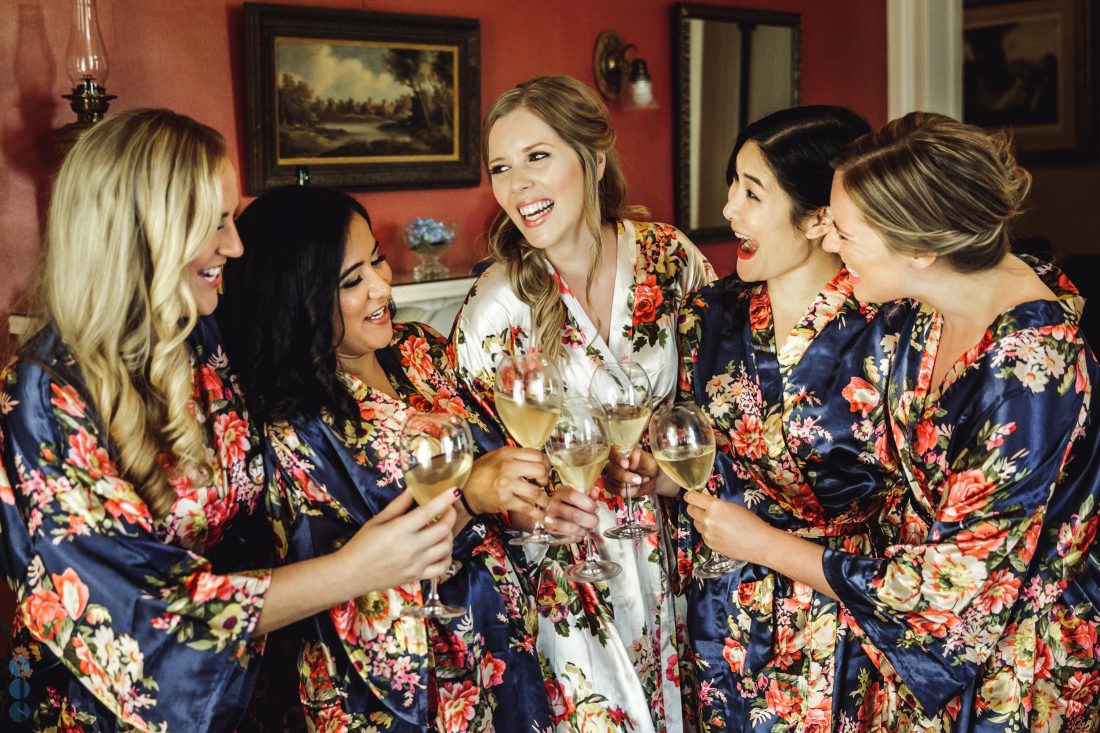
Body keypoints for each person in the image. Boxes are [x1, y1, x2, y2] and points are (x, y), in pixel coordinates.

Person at [0, 109, 459, 732]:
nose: (234, 246)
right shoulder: (45, 392)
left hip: (253, 693)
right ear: (141, 232)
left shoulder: (205, 334)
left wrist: (411, 425)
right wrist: (356, 568)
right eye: (213, 224)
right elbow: (136, 613)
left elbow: (304, 370)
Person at [688, 112, 1100, 730]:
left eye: (848, 234)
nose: (828, 243)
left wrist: (763, 544)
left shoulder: (1030, 373)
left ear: (922, 248)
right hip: (896, 646)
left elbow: (946, 586)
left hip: (1007, 665)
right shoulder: (932, 306)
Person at [610, 105, 926, 731]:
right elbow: (714, 467)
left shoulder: (896, 325)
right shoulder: (709, 315)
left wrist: (766, 541)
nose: (729, 210)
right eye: (733, 185)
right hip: (727, 619)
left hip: (846, 624)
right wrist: (662, 479)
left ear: (818, 217)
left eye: (752, 193)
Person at [217, 185, 553, 732]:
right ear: (294, 298)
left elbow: (497, 463)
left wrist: (528, 501)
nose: (381, 287)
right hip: (398, 692)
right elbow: (336, 577)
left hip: (500, 647)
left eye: (376, 260)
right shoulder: (285, 426)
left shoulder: (419, 350)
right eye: (352, 281)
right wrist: (467, 498)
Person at [452, 74, 714, 733]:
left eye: (538, 157)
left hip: (683, 562)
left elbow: (725, 401)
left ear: (594, 157)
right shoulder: (495, 307)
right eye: (502, 168)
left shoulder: (669, 259)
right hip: (571, 586)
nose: (518, 187)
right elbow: (472, 479)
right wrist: (533, 512)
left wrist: (668, 466)